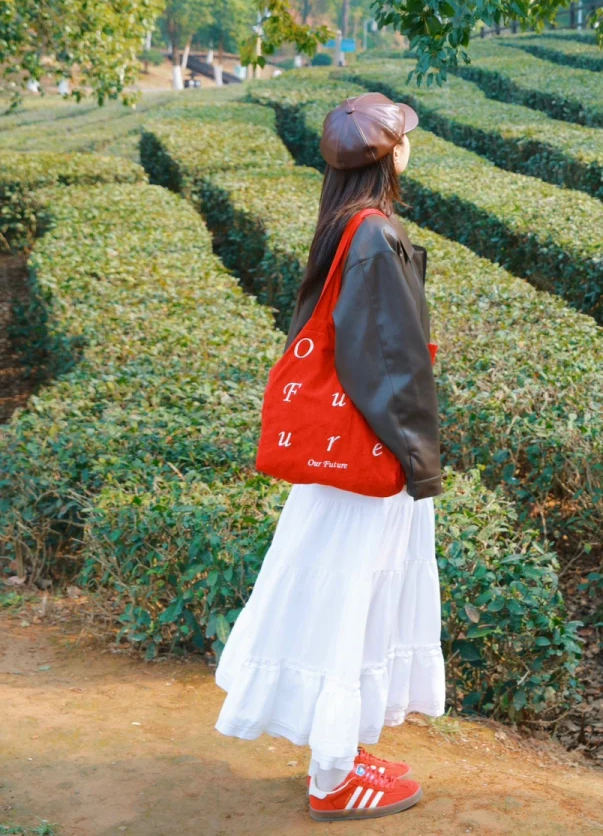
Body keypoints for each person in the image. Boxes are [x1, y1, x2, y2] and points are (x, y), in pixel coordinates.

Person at [214, 92, 444, 821]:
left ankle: (339, 747)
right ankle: (334, 779)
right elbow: (389, 364)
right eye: (403, 136)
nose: (411, 142)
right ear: (388, 155)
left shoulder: (347, 224)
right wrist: (418, 460)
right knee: (353, 602)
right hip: (369, 458)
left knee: (353, 599)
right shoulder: (375, 235)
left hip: (346, 458)